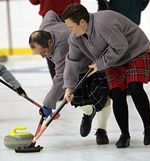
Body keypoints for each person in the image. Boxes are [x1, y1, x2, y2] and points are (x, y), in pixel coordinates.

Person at [62, 3, 150, 148]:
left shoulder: (103, 23)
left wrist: (100, 64)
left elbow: (121, 46)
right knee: (116, 93)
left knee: (135, 87)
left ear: (82, 22)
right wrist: (68, 87)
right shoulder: (75, 37)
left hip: (134, 51)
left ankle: (148, 128)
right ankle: (125, 134)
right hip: (112, 59)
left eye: (71, 26)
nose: (69, 30)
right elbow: (72, 61)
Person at [29, 10, 111, 144]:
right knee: (75, 100)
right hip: (75, 69)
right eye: (39, 53)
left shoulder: (61, 50)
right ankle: (88, 113)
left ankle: (102, 130)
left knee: (103, 98)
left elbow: (61, 77)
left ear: (50, 42)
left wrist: (48, 104)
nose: (43, 56)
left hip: (93, 64)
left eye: (43, 52)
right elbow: (50, 13)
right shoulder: (46, 27)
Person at [29, 0, 80, 80]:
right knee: (51, 52)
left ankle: (62, 84)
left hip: (57, 17)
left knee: (52, 53)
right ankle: (65, 84)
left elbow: (34, 1)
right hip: (69, 14)